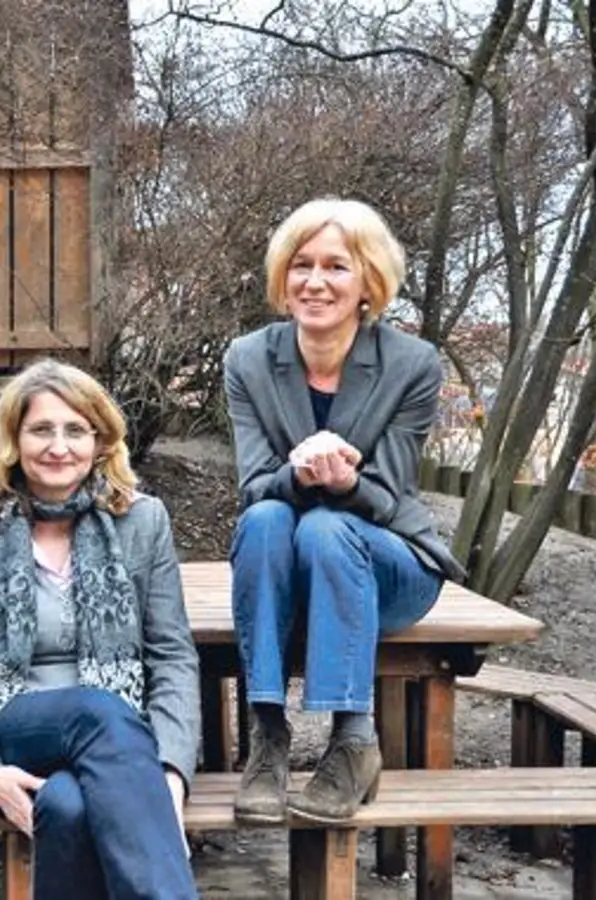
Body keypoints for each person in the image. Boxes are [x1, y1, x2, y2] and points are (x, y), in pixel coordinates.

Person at [223, 198, 467, 825]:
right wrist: (299, 473)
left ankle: (353, 740)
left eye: (336, 266)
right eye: (301, 264)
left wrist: (345, 479)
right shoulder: (248, 359)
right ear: (283, 276)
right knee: (264, 520)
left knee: (329, 526)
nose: (315, 281)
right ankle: (267, 737)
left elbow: (386, 497)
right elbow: (255, 488)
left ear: (368, 283)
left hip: (390, 565)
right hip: (290, 560)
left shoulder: (412, 364)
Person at [0, 359, 201, 899]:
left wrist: (167, 776)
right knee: (95, 710)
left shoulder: (142, 522)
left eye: (75, 430)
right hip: (11, 728)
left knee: (68, 806)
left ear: (100, 440)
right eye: (41, 430)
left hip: (118, 746)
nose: (58, 446)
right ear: (14, 440)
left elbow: (172, 656)